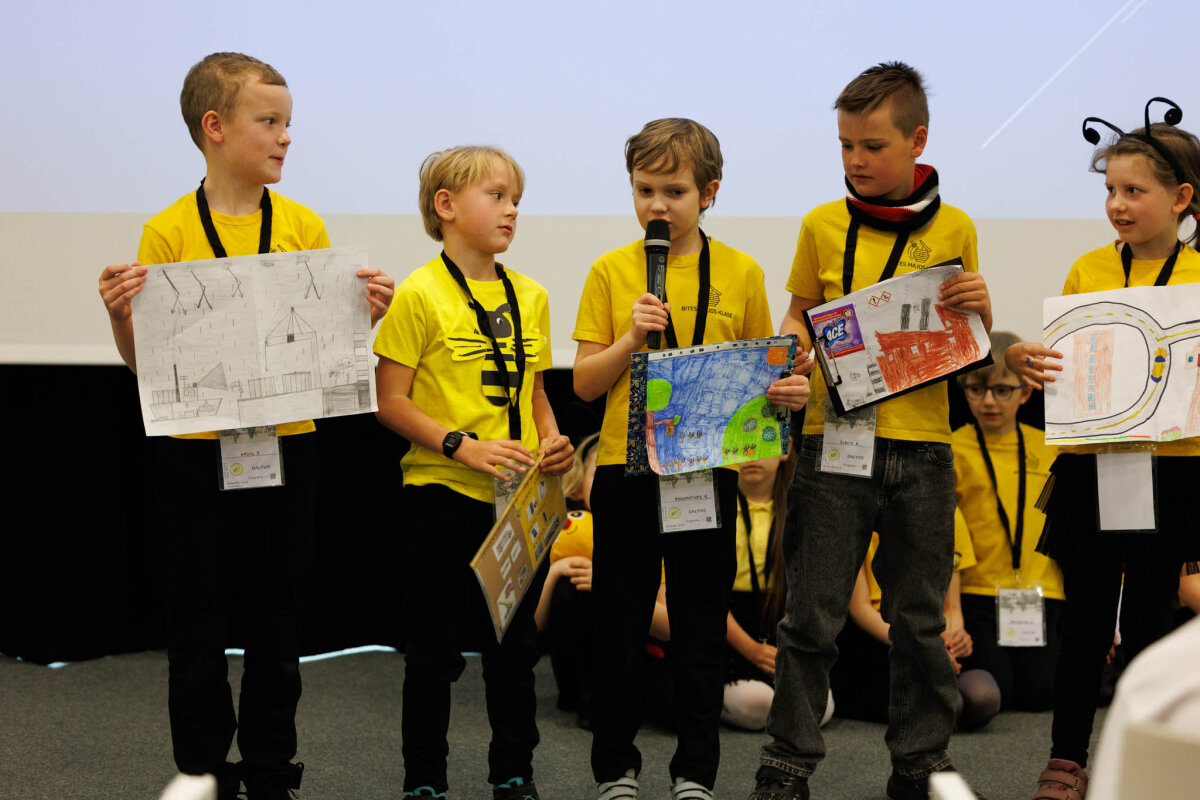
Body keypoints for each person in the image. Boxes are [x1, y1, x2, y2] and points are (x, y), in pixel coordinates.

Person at [96, 52, 393, 800]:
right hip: (194, 455)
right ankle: (201, 768)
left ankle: (269, 767)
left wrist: (362, 317)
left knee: (278, 614)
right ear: (215, 127)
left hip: (287, 448)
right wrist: (122, 318)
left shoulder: (302, 225)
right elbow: (145, 366)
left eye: (288, 123)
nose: (285, 136)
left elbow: (321, 347)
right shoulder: (168, 231)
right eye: (270, 121)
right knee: (196, 613)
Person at [751, 62, 992, 800]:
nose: (856, 160)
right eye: (845, 145)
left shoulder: (955, 226)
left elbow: (966, 335)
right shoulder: (821, 223)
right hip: (833, 441)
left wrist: (983, 308)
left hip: (924, 450)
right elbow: (799, 313)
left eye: (873, 146)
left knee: (918, 620)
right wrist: (792, 350)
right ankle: (786, 767)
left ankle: (919, 764)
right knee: (810, 617)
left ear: (918, 142)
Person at [573, 118, 810, 800]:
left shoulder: (741, 271)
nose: (657, 205)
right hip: (625, 469)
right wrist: (630, 339)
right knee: (620, 623)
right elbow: (584, 384)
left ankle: (695, 772)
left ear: (708, 193)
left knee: (701, 626)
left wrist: (788, 389)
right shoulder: (611, 269)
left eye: (673, 191)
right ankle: (615, 768)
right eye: (643, 189)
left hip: (706, 470)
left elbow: (764, 372)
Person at [1006, 100, 1200, 800]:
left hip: (1173, 472)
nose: (1117, 204)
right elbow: (1067, 365)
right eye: (1110, 190)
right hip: (1096, 467)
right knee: (1086, 623)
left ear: (1180, 198)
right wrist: (1029, 363)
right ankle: (1066, 758)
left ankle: (1135, 761)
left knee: (1150, 620)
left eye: (1134, 191)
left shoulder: (1198, 276)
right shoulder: (1088, 267)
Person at [374, 145, 574, 800]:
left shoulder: (531, 295)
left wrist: (554, 441)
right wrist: (460, 445)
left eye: (516, 199)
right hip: (441, 494)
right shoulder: (418, 294)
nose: (512, 210)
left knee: (514, 652)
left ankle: (514, 774)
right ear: (447, 205)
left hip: (518, 502)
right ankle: (424, 781)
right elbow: (389, 401)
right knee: (433, 652)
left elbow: (535, 393)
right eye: (497, 196)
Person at [952, 331, 1064, 713]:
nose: (988, 401)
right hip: (978, 592)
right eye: (976, 390)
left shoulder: (1051, 448)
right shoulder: (951, 447)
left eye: (1002, 390)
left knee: (1040, 695)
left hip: (1042, 592)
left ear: (1026, 393)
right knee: (998, 690)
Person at [831, 522, 1000, 732]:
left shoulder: (950, 515)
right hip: (879, 638)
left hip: (929, 635)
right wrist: (922, 646)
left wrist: (953, 642)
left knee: (984, 697)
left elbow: (952, 608)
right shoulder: (860, 513)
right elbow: (860, 610)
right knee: (948, 704)